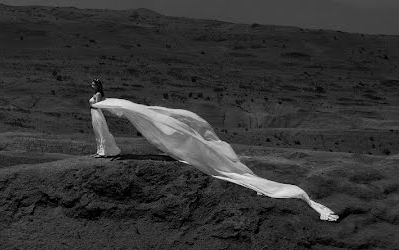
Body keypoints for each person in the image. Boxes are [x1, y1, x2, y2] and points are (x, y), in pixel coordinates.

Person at [89, 80, 338, 221]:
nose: (92, 86)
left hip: (105, 107)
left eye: (94, 85)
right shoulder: (100, 101)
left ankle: (106, 151)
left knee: (189, 145)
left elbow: (117, 108)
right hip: (103, 109)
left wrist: (102, 98)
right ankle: (105, 150)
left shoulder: (101, 100)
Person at [89, 78, 120, 158]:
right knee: (97, 132)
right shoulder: (96, 93)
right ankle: (99, 151)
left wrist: (92, 105)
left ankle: (103, 152)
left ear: (97, 86)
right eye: (92, 84)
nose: (92, 86)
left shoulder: (98, 94)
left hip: (96, 113)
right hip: (94, 113)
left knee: (100, 132)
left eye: (94, 84)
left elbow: (97, 105)